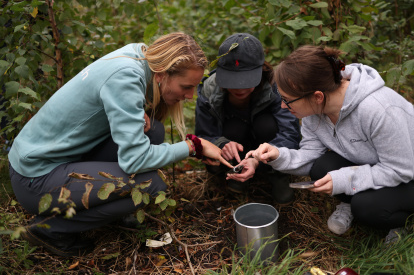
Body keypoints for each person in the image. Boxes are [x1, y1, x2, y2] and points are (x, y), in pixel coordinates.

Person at [8, 32, 232, 257]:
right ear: (162, 74)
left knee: (154, 131)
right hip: (35, 178)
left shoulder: (140, 56)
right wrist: (192, 146)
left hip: (57, 159)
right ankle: (49, 230)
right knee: (151, 185)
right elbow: (135, 160)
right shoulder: (126, 76)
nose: (191, 96)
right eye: (186, 86)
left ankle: (110, 210)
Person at [244, 45, 414, 241]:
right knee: (321, 167)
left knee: (366, 207)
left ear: (317, 96)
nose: (283, 106)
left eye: (287, 100)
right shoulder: (314, 112)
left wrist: (345, 179)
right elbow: (311, 155)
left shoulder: (379, 109)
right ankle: (354, 200)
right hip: (378, 166)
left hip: (408, 175)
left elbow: (401, 169)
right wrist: (278, 155)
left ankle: (402, 223)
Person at [195, 33, 301, 204]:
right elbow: (202, 136)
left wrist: (258, 159)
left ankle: (277, 175)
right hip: (234, 147)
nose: (240, 88)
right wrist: (221, 144)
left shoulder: (276, 87)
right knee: (234, 128)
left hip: (266, 148)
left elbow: (290, 134)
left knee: (265, 124)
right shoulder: (210, 90)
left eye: (246, 80)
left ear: (260, 71)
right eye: (232, 80)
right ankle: (235, 172)